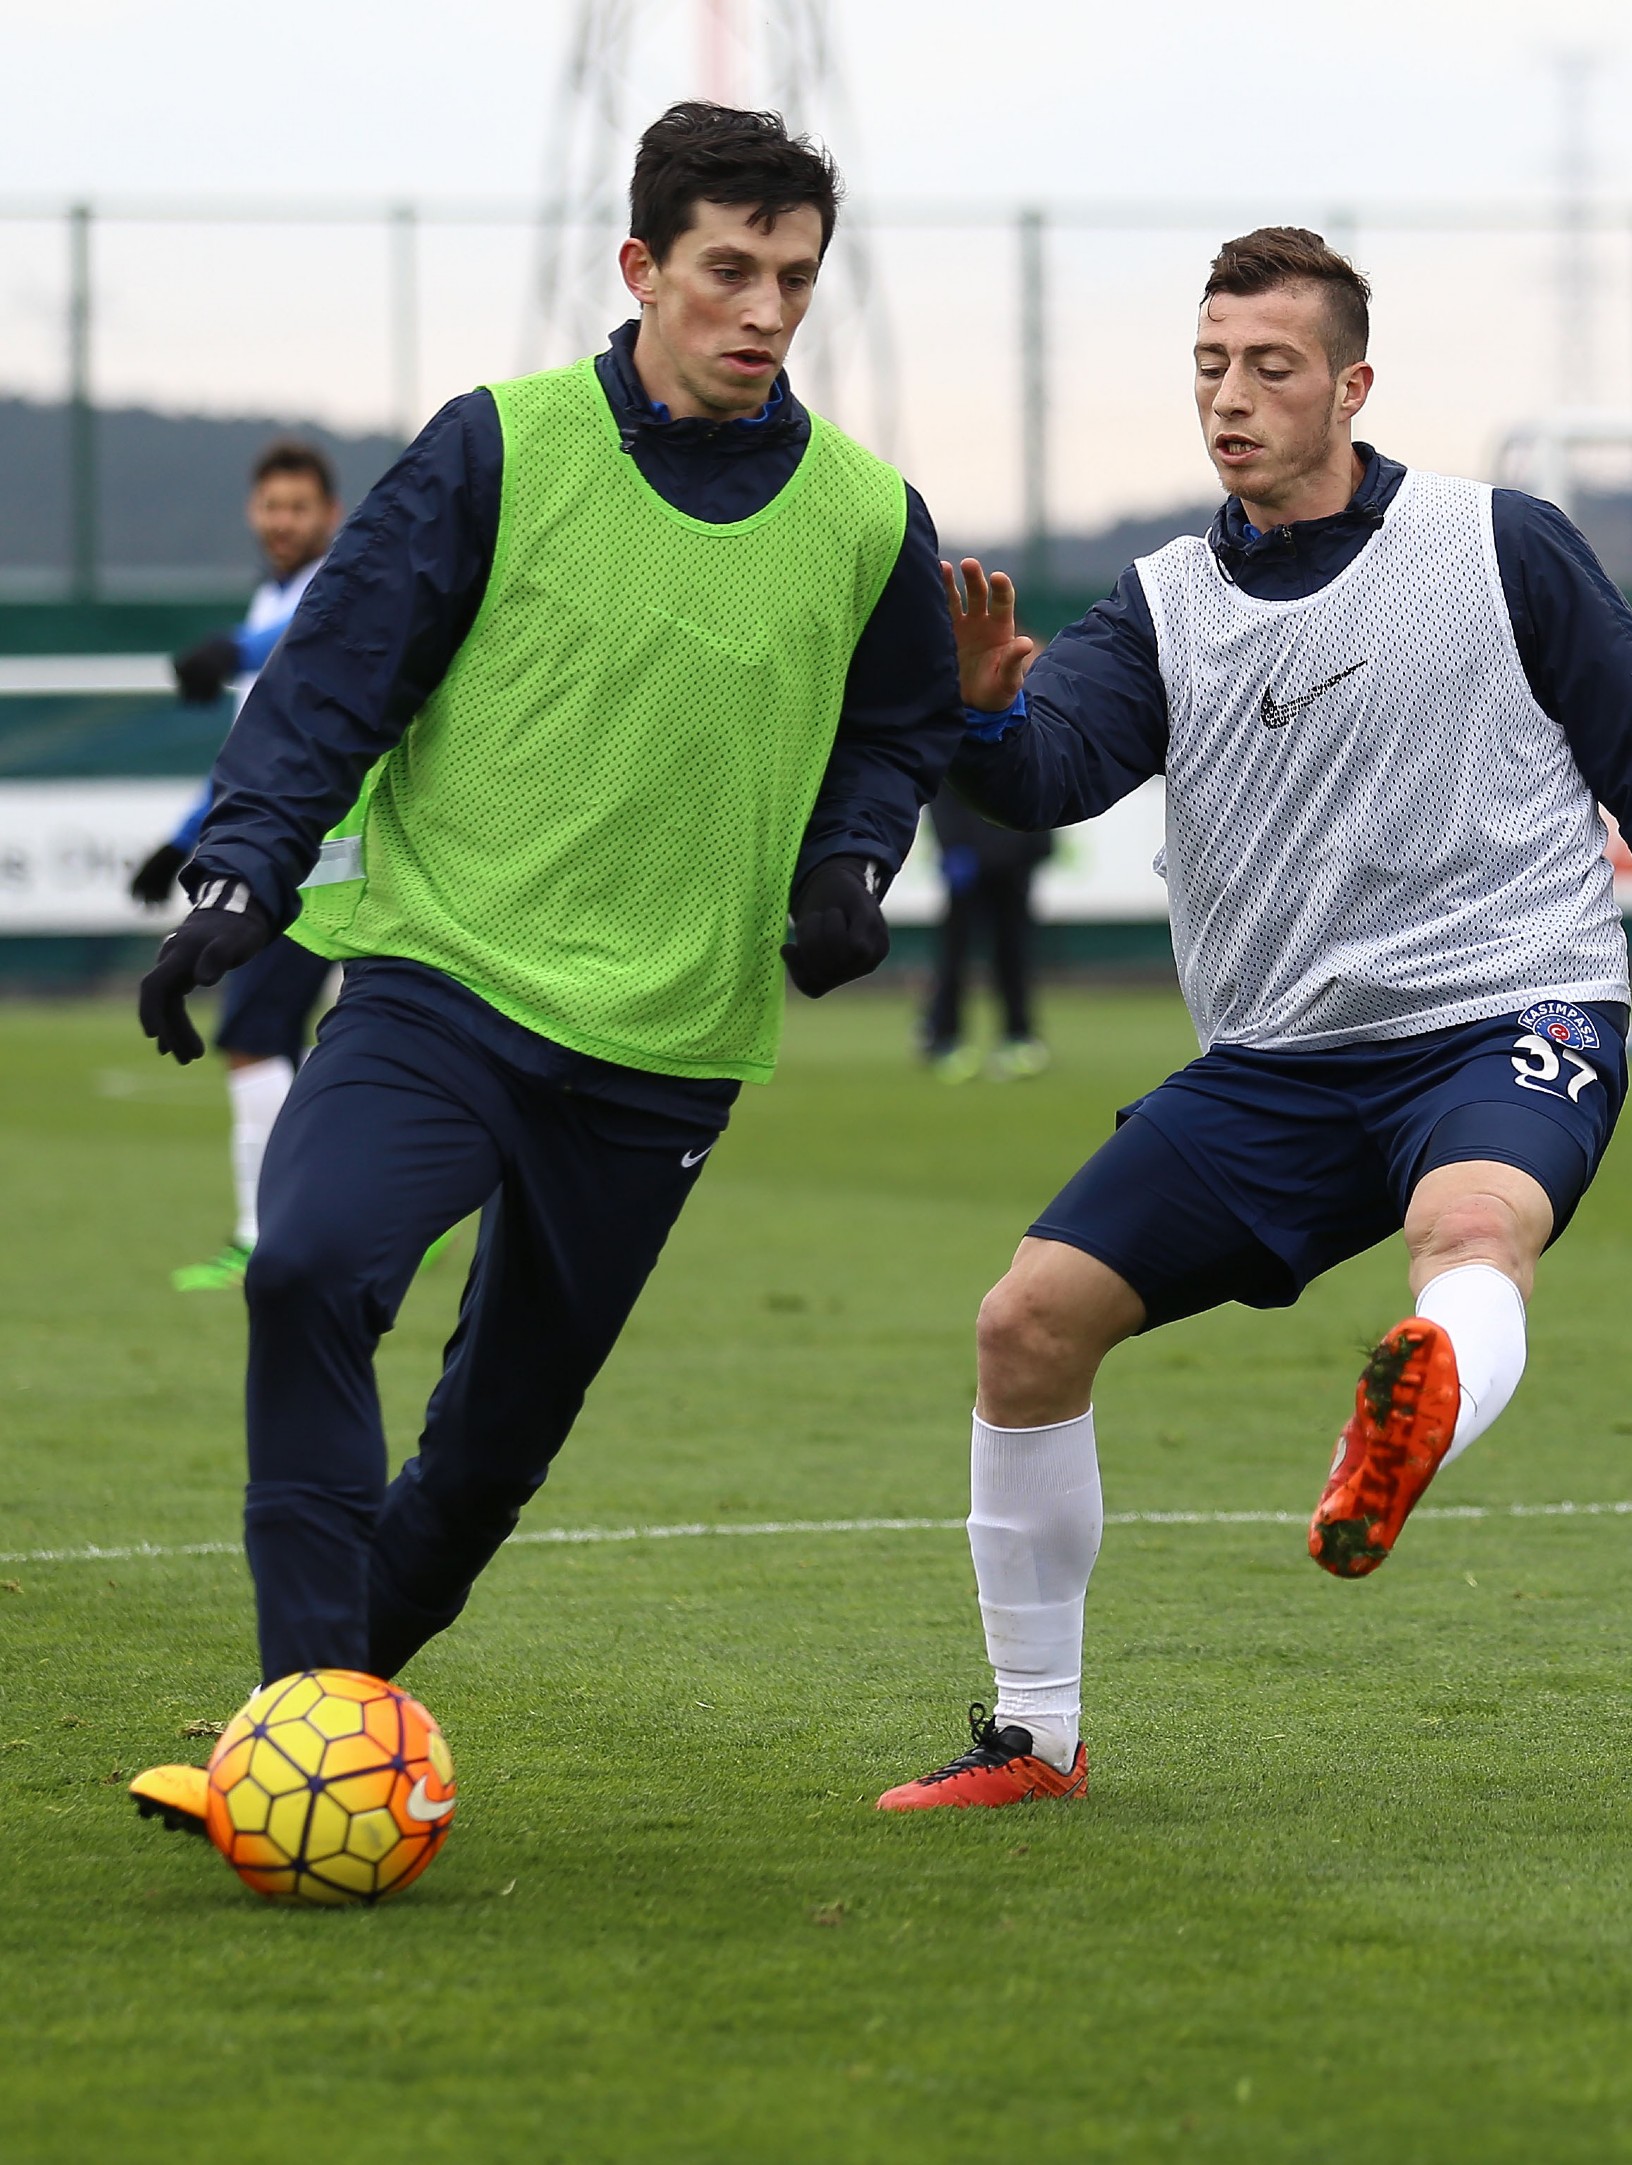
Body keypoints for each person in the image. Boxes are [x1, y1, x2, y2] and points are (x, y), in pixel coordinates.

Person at [876, 226, 1632, 1812]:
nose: (1230, 398)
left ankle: (1412, 1408)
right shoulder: (1164, 604)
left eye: (1271, 367)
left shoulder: (1501, 545)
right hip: (1279, 1064)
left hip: (1506, 1008)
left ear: (1354, 386)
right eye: (1210, 366)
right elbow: (1049, 773)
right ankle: (1035, 1739)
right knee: (1026, 1324)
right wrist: (981, 714)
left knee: (1473, 1228)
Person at [128, 102, 960, 1840]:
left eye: (795, 278)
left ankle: (306, 1738)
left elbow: (897, 730)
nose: (765, 310)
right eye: (728, 270)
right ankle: (301, 1740)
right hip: (440, 986)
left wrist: (848, 867)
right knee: (308, 1268)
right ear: (642, 266)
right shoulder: (497, 448)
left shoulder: (868, 517)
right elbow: (338, 674)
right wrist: (242, 870)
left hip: (667, 1050)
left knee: (491, 1451)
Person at [128, 440, 343, 1292]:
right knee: (329, 1042)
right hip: (304, 848)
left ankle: (269, 1233)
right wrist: (185, 836)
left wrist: (229, 645)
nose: (283, 521)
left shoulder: (338, 584)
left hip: (314, 857)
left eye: (299, 507)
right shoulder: (274, 593)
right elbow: (254, 751)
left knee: (255, 1038)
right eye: (271, 506)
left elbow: (302, 634)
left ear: (330, 515)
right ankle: (366, 1218)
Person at [920, 783, 1051, 1080]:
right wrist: (953, 847)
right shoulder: (957, 755)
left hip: (1012, 868)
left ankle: (1019, 1036)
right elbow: (945, 798)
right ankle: (942, 1036)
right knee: (955, 955)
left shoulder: (1027, 752)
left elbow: (1040, 794)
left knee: (1013, 955)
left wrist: (1036, 850)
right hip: (970, 865)